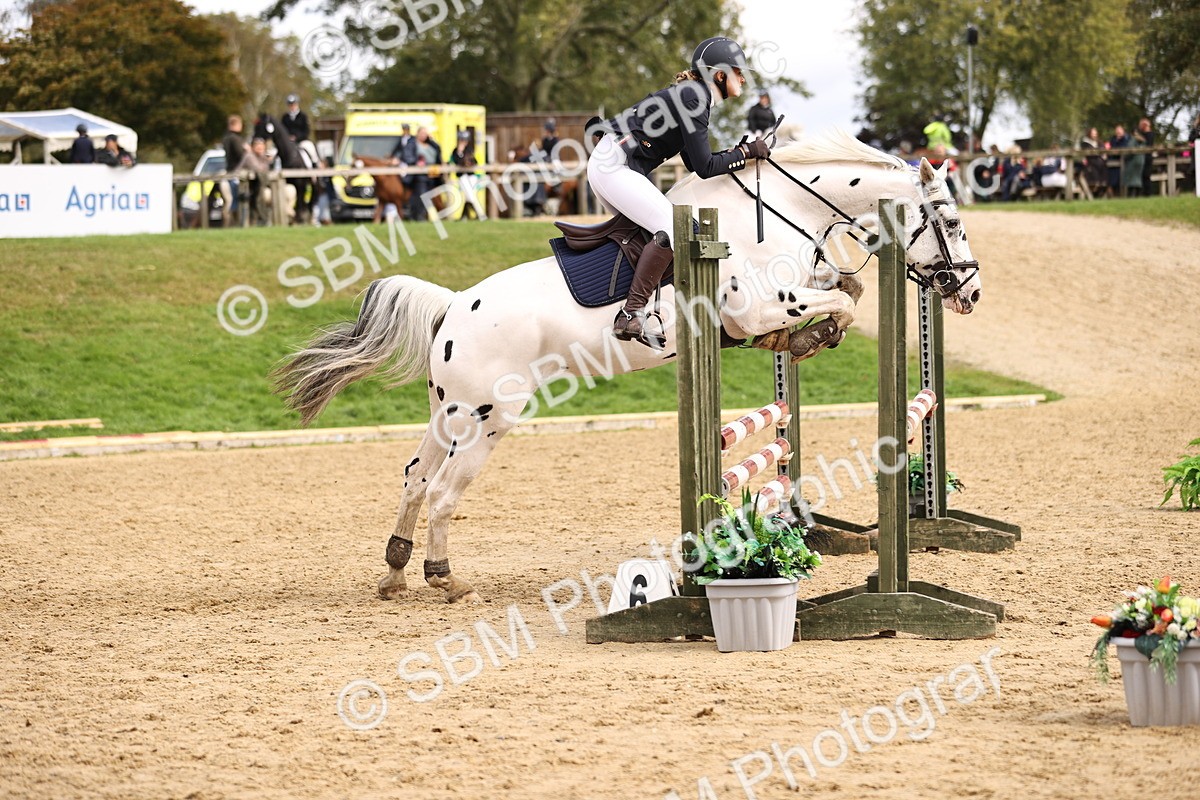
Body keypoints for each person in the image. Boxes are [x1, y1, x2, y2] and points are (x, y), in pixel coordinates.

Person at [588, 36, 767, 349]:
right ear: (720, 75)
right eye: (739, 72)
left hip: (613, 163)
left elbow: (693, 158)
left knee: (668, 232)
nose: (743, 78)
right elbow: (705, 167)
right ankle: (630, 313)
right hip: (613, 165)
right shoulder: (695, 97)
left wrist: (739, 152)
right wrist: (747, 152)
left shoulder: (692, 95)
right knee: (675, 227)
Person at [449, 131, 485, 220]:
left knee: (469, 196)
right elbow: (456, 161)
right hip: (462, 176)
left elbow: (474, 162)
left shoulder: (470, 150)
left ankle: (464, 216)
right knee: (470, 196)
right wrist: (459, 152)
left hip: (471, 176)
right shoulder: (455, 151)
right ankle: (479, 215)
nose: (463, 141)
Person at [220, 115, 248, 227]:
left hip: (228, 171)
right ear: (235, 125)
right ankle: (234, 224)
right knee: (235, 201)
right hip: (235, 173)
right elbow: (240, 155)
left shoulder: (225, 137)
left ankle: (229, 224)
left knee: (229, 201)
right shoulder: (235, 138)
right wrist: (246, 150)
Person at [1134, 117, 1154, 196]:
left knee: (1146, 176)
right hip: (1142, 158)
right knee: (1142, 177)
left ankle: (1148, 194)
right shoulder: (1143, 135)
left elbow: (1148, 144)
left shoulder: (1150, 134)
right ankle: (1144, 194)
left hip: (1147, 158)